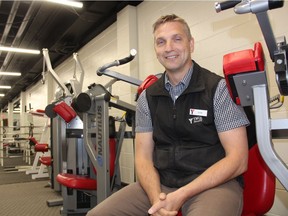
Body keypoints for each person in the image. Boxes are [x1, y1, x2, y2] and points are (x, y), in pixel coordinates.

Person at [86, 14, 249, 216]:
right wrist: (156, 199)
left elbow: (238, 159)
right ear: (156, 49)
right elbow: (143, 157)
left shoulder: (218, 89)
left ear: (191, 44)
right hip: (162, 183)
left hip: (213, 185)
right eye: (161, 42)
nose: (169, 47)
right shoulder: (148, 97)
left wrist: (182, 194)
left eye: (177, 39)